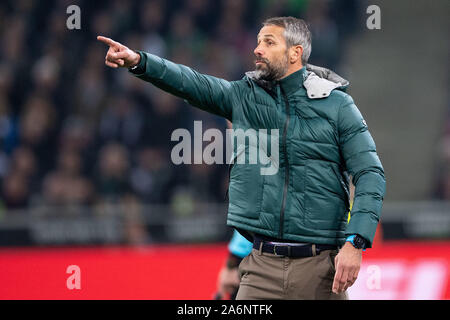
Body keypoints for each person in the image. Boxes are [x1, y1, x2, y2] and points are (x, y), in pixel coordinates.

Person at [98, 16, 386, 300]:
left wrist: (355, 242)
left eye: (269, 42)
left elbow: (370, 173)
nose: (257, 49)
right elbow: (191, 83)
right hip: (259, 269)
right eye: (258, 41)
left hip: (321, 270)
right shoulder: (244, 96)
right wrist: (140, 62)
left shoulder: (337, 105)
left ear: (295, 52)